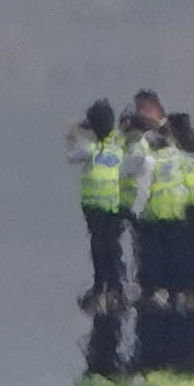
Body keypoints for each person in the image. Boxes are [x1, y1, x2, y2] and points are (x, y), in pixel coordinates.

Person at [143, 110, 194, 312]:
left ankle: (177, 288)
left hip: (184, 203)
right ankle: (192, 287)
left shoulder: (179, 150)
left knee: (181, 248)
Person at [73, 101, 130, 313]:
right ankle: (117, 288)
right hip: (114, 206)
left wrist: (75, 130)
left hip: (95, 208)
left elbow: (71, 154)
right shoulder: (117, 147)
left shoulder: (90, 150)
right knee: (113, 247)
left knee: (99, 247)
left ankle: (101, 287)